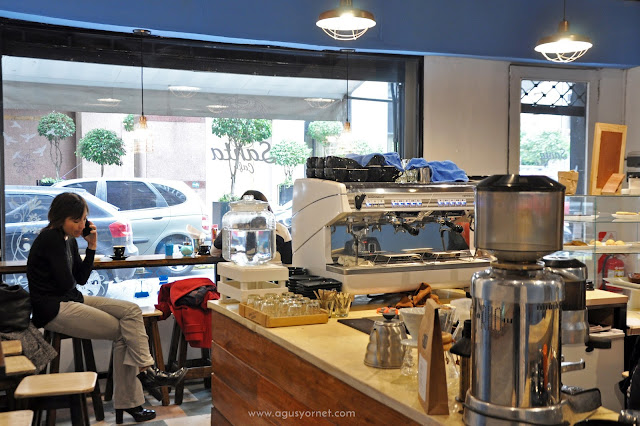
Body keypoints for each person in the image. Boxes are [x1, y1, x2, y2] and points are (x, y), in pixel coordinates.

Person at [27, 192, 187, 424]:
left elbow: (80, 279)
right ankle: (136, 394)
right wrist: (75, 260)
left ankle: (147, 373)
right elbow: (65, 283)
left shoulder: (68, 239)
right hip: (52, 308)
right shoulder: (51, 239)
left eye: (83, 219)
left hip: (71, 298)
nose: (81, 225)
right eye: (76, 220)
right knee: (125, 332)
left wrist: (91, 246)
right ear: (60, 218)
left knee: (131, 311)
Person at [212, 190, 292, 264]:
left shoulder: (233, 227)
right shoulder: (280, 229)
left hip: (236, 277)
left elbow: (213, 252)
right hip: (273, 277)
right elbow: (288, 259)